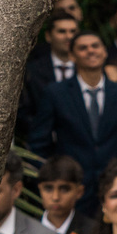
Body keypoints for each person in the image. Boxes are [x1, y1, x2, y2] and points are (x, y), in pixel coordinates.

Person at [29, 31, 117, 216]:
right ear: (72, 56)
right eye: (83, 48)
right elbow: (38, 143)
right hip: (72, 189)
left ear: (104, 52)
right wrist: (54, 180)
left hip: (112, 187)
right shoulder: (56, 93)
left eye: (95, 46)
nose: (90, 51)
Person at [19, 8, 80, 137]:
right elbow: (23, 111)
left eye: (73, 31)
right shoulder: (32, 71)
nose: (68, 36)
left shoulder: (88, 68)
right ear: (48, 36)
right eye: (62, 31)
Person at [36, 155, 97, 234]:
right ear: (40, 189)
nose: (55, 197)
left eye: (64, 189)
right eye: (48, 188)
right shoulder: (26, 229)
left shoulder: (92, 233)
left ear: (79, 192)